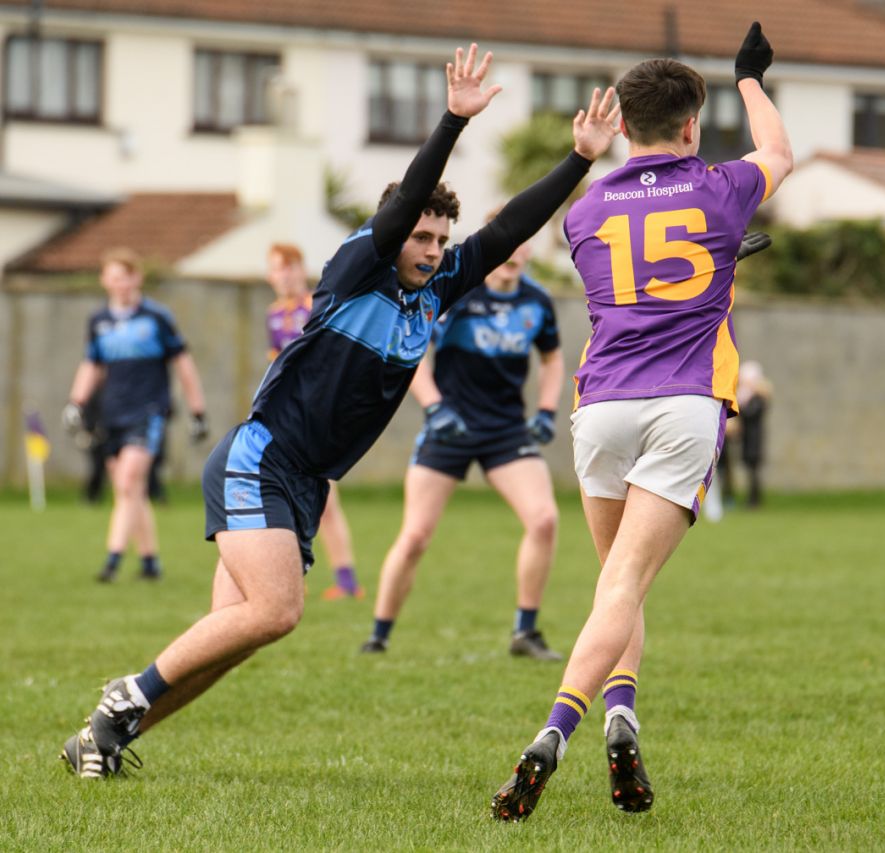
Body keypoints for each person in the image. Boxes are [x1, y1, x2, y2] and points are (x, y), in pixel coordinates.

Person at [59, 44, 621, 779]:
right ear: (394, 229)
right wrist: (452, 122)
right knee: (276, 611)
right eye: (421, 235)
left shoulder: (434, 290)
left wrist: (580, 161)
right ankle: (123, 698)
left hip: (305, 476)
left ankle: (101, 739)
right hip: (263, 458)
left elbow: (509, 228)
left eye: (441, 239)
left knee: (236, 633)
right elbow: (407, 200)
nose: (432, 249)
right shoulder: (358, 266)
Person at [490, 22, 793, 821]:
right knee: (625, 584)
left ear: (621, 125)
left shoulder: (583, 213)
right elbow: (780, 157)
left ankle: (623, 719)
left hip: (603, 408)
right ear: (692, 125)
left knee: (614, 584)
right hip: (683, 404)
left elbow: (633, 281)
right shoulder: (723, 187)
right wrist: (751, 81)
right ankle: (555, 729)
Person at [359, 233, 565, 659]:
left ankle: (525, 633)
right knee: (415, 535)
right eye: (507, 244)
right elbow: (414, 352)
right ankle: (378, 636)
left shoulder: (537, 302)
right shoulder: (456, 295)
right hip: (448, 426)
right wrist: (434, 407)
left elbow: (552, 358)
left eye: (521, 244)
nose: (514, 253)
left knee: (544, 520)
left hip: (505, 430)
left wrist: (546, 410)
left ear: (527, 251)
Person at [63, 248, 208, 583]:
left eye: (126, 276)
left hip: (149, 411)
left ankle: (112, 559)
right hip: (112, 413)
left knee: (128, 482)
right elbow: (93, 365)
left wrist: (197, 410)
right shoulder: (99, 321)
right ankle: (150, 561)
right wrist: (76, 402)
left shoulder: (156, 318)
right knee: (132, 491)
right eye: (114, 277)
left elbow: (184, 365)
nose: (121, 284)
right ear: (104, 281)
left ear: (137, 278)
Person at [264, 242, 364, 600]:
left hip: (322, 416)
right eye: (279, 268)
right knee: (298, 498)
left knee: (323, 502)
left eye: (291, 267)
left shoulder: (316, 306)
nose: (286, 274)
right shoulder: (274, 315)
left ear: (302, 270)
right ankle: (311, 576)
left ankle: (345, 580)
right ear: (270, 275)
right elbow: (276, 367)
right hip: (289, 418)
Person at [737, 360, 771, 508]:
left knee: (754, 470)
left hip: (754, 439)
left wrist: (740, 407)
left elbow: (750, 414)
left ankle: (754, 500)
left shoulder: (759, 398)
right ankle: (751, 499)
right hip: (747, 439)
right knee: (749, 469)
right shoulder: (749, 397)